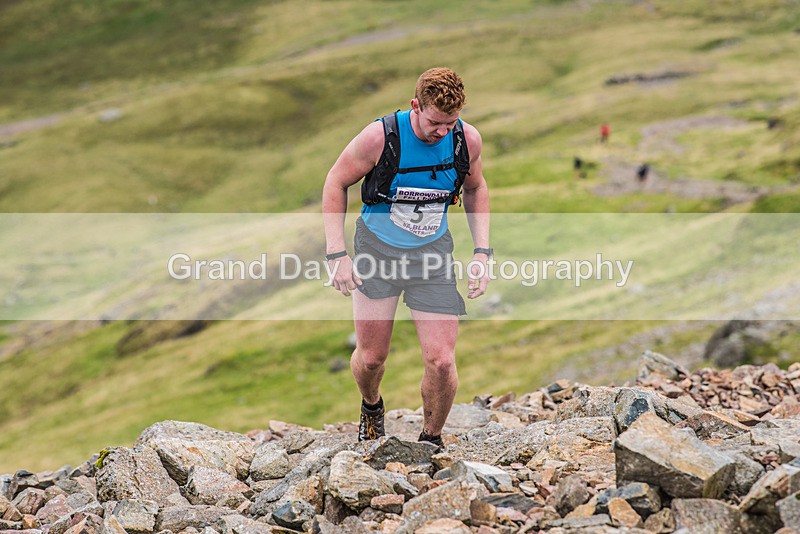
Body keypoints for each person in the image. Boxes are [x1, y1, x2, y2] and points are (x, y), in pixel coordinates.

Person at [322, 67, 491, 448]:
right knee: (371, 359)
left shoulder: (466, 140)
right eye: (435, 122)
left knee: (442, 361)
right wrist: (337, 253)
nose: (442, 132)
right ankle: (371, 407)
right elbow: (335, 182)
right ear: (416, 106)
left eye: (451, 122)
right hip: (376, 252)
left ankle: (430, 440)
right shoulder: (381, 137)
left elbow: (476, 188)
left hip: (432, 256)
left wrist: (482, 251)